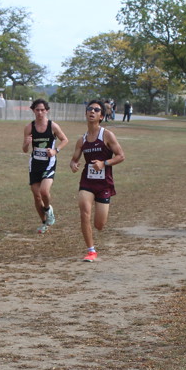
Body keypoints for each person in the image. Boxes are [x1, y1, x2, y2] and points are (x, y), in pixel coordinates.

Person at [70, 99, 125, 261]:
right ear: (86, 113)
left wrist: (104, 163)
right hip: (87, 182)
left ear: (101, 116)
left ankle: (94, 243)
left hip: (104, 184)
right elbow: (74, 159)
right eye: (90, 109)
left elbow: (121, 156)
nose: (92, 111)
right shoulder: (82, 140)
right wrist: (73, 164)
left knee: (99, 225)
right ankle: (91, 251)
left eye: (96, 110)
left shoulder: (107, 135)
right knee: (84, 212)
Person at [22, 99, 69, 234]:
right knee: (37, 197)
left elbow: (65, 139)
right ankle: (44, 222)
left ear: (47, 111)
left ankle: (48, 209)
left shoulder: (52, 126)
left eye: (42, 110)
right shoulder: (29, 127)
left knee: (44, 191)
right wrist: (26, 143)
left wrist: (55, 150)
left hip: (49, 163)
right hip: (35, 164)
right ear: (33, 110)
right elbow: (25, 150)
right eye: (37, 110)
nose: (40, 112)